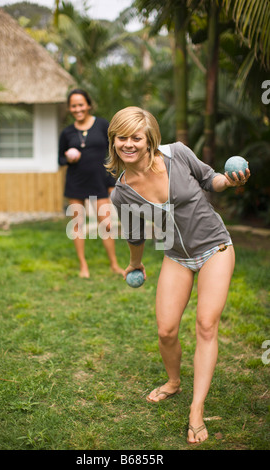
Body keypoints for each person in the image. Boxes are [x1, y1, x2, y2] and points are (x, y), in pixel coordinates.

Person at [106, 106, 250, 444]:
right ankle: (174, 382)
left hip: (215, 246)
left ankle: (196, 410)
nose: (128, 144)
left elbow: (209, 178)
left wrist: (227, 181)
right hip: (175, 254)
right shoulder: (122, 191)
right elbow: (136, 233)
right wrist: (135, 264)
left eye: (135, 138)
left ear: (149, 139)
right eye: (121, 137)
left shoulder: (178, 154)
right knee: (167, 330)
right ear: (113, 141)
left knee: (205, 324)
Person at [58, 89, 124, 278]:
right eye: (73, 106)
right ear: (70, 108)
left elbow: (113, 152)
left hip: (99, 182)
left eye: (80, 104)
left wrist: (111, 180)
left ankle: (114, 264)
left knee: (107, 225)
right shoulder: (67, 132)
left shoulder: (103, 125)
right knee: (77, 224)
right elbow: (60, 159)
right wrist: (68, 159)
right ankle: (83, 266)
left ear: (88, 105)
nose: (77, 109)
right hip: (75, 182)